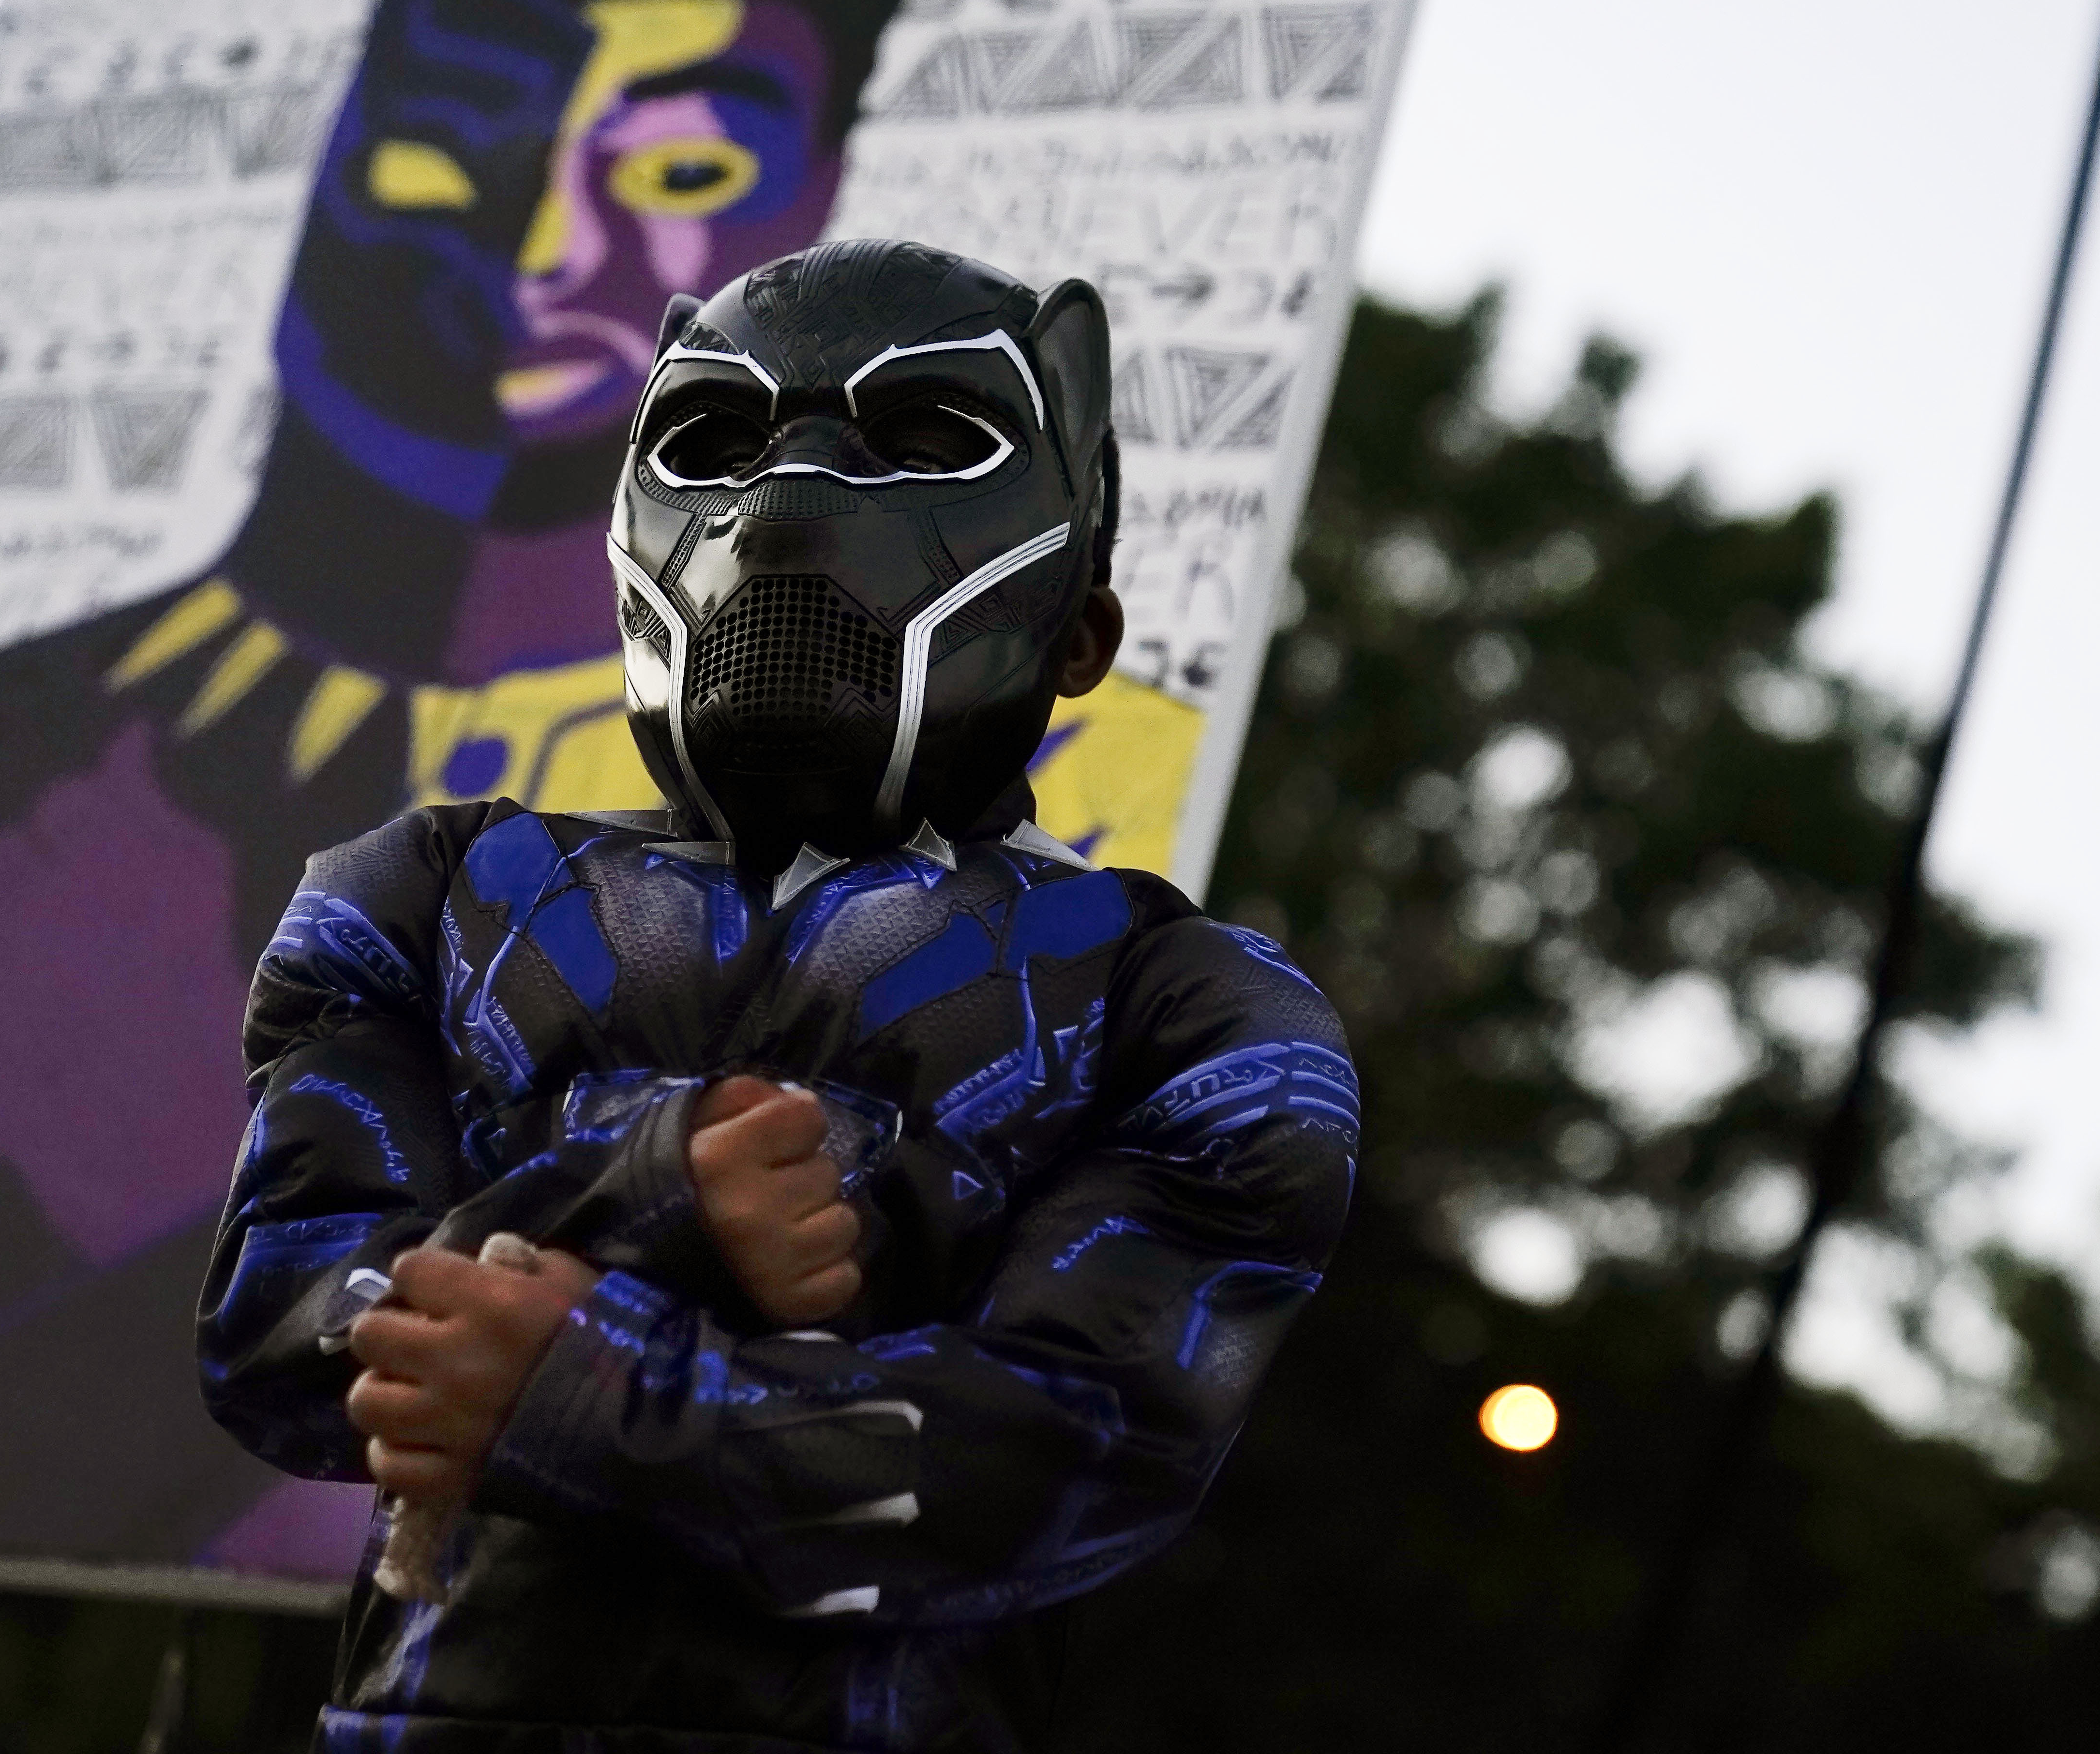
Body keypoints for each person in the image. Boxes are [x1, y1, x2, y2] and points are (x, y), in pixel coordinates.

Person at [0, 0, 939, 1573]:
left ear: (819, 207)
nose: (548, 247)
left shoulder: (922, 875)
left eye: (684, 172)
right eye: (444, 157)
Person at [200, 240, 1358, 1750]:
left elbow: (1070, 1456)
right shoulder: (413, 895)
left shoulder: (1197, 1013)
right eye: (722, 438)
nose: (792, 500)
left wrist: (592, 1387)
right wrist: (642, 1194)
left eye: (924, 438)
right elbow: (278, 1328)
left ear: (1080, 632)